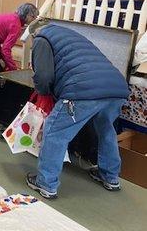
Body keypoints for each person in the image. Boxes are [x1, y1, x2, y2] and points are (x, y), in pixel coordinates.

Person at [26, 20, 130, 199]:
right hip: (116, 88)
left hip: (82, 91)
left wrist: (43, 93)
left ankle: (46, 183)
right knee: (106, 130)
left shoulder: (41, 38)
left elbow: (43, 76)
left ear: (33, 34)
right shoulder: (71, 35)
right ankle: (110, 177)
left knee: (55, 132)